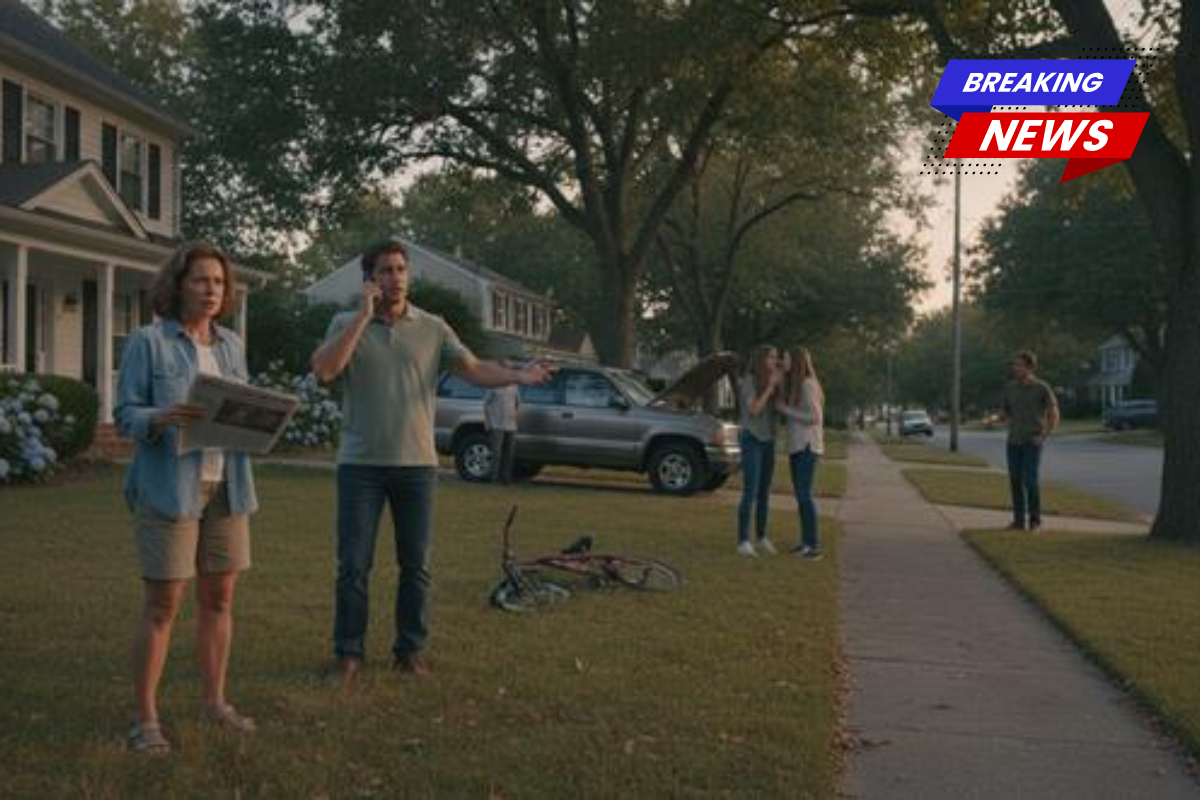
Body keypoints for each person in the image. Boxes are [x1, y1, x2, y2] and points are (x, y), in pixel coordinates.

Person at [310, 238, 553, 688]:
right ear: (370, 279)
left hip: (416, 466)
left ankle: (411, 651)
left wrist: (520, 376)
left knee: (416, 564)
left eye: (401, 269)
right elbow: (325, 370)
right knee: (353, 565)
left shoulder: (433, 327)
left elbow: (474, 369)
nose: (395, 278)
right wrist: (363, 317)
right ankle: (348, 654)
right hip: (360, 465)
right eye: (385, 270)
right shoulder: (345, 322)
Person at [115, 242, 258, 755]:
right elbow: (125, 411)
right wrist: (158, 417)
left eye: (218, 282)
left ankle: (214, 702)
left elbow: (241, 409)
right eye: (200, 280)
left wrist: (261, 424)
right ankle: (145, 718)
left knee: (219, 598)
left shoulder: (232, 346)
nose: (211, 290)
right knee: (162, 604)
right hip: (169, 489)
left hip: (227, 486)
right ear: (177, 284)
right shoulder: (148, 342)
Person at [1001, 350, 1059, 531]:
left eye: (1019, 365)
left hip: (1032, 442)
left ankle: (1035, 521)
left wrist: (1043, 436)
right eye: (1014, 365)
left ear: (1030, 367)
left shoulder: (1042, 387)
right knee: (1015, 481)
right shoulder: (1010, 388)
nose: (1015, 368)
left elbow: (1054, 414)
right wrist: (994, 419)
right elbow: (1006, 412)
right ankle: (1018, 521)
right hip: (1013, 442)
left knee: (1030, 481)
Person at [777, 347, 825, 559]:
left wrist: (785, 410)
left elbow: (814, 417)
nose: (781, 360)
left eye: (785, 357)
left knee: (804, 496)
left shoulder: (807, 384)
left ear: (795, 361)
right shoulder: (798, 385)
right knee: (800, 495)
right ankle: (805, 541)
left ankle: (812, 546)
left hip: (807, 447)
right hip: (797, 446)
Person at [736, 344, 782, 556]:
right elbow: (754, 409)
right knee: (750, 491)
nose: (776, 361)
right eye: (772, 357)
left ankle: (761, 537)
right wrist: (770, 388)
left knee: (764, 492)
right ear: (761, 360)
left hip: (769, 440)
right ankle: (743, 541)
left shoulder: (771, 382)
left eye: (777, 357)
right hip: (752, 438)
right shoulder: (750, 381)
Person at [483, 362, 521, 484]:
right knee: (496, 453)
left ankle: (506, 478)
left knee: (509, 453)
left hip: (511, 425)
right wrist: (487, 423)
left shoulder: (514, 385)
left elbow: (517, 403)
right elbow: (486, 405)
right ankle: (493, 479)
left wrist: (515, 417)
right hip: (496, 423)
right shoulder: (493, 384)